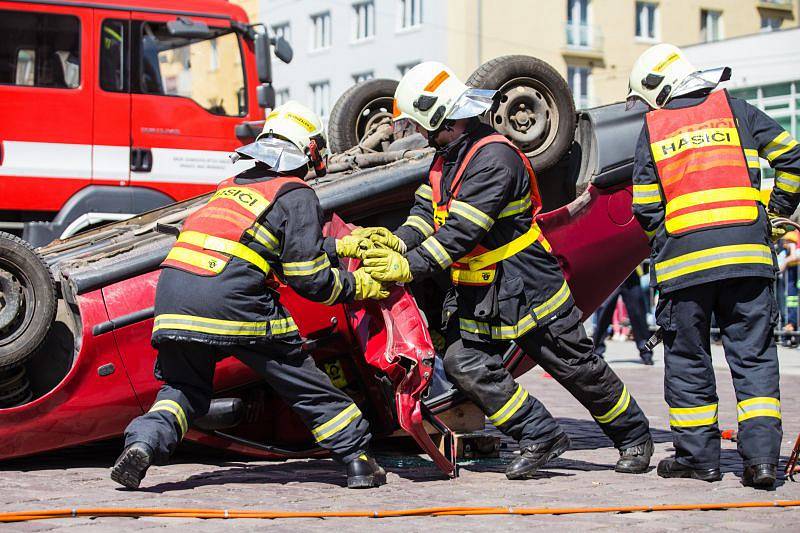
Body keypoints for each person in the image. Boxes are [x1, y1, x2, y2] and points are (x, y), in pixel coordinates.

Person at [357, 62, 653, 480]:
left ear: (441, 118)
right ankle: (539, 433)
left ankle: (635, 436)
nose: (419, 134)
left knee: (575, 365)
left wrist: (405, 266)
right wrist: (397, 240)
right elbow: (428, 214)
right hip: (484, 291)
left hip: (527, 282)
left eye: (423, 126)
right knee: (464, 361)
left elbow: (460, 233)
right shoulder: (445, 159)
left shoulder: (493, 157)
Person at [111, 101, 388, 490]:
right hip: (233, 300)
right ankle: (357, 460)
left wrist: (343, 246)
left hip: (173, 297)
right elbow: (307, 278)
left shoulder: (231, 189)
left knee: (184, 389)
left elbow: (265, 246)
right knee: (300, 378)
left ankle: (143, 443)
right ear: (308, 150)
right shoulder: (296, 193)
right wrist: (359, 286)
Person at [628, 44, 800, 488]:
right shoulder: (737, 110)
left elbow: (645, 206)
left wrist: (668, 242)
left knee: (688, 361)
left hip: (686, 268)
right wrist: (773, 214)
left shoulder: (655, 127)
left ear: (655, 88)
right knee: (755, 358)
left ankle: (700, 460)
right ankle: (762, 463)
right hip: (748, 259)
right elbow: (793, 159)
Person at [592, 267, 654, 365]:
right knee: (603, 314)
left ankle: (646, 352)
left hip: (631, 272)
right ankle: (596, 352)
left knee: (638, 314)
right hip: (609, 273)